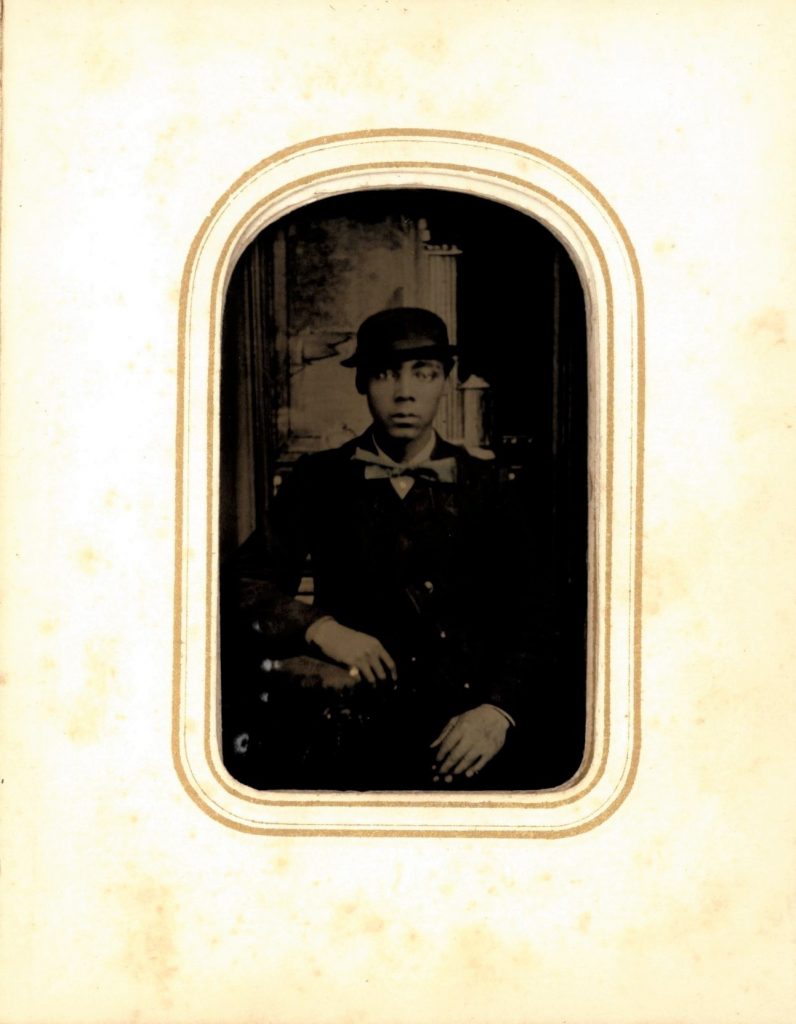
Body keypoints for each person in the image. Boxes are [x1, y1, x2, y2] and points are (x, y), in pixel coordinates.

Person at [223, 307, 556, 791]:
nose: (405, 392)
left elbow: (540, 617)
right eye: (384, 373)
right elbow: (241, 584)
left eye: (424, 373)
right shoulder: (318, 480)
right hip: (349, 734)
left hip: (466, 737)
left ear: (446, 380)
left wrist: (498, 712)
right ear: (361, 382)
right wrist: (320, 628)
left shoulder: (490, 487)